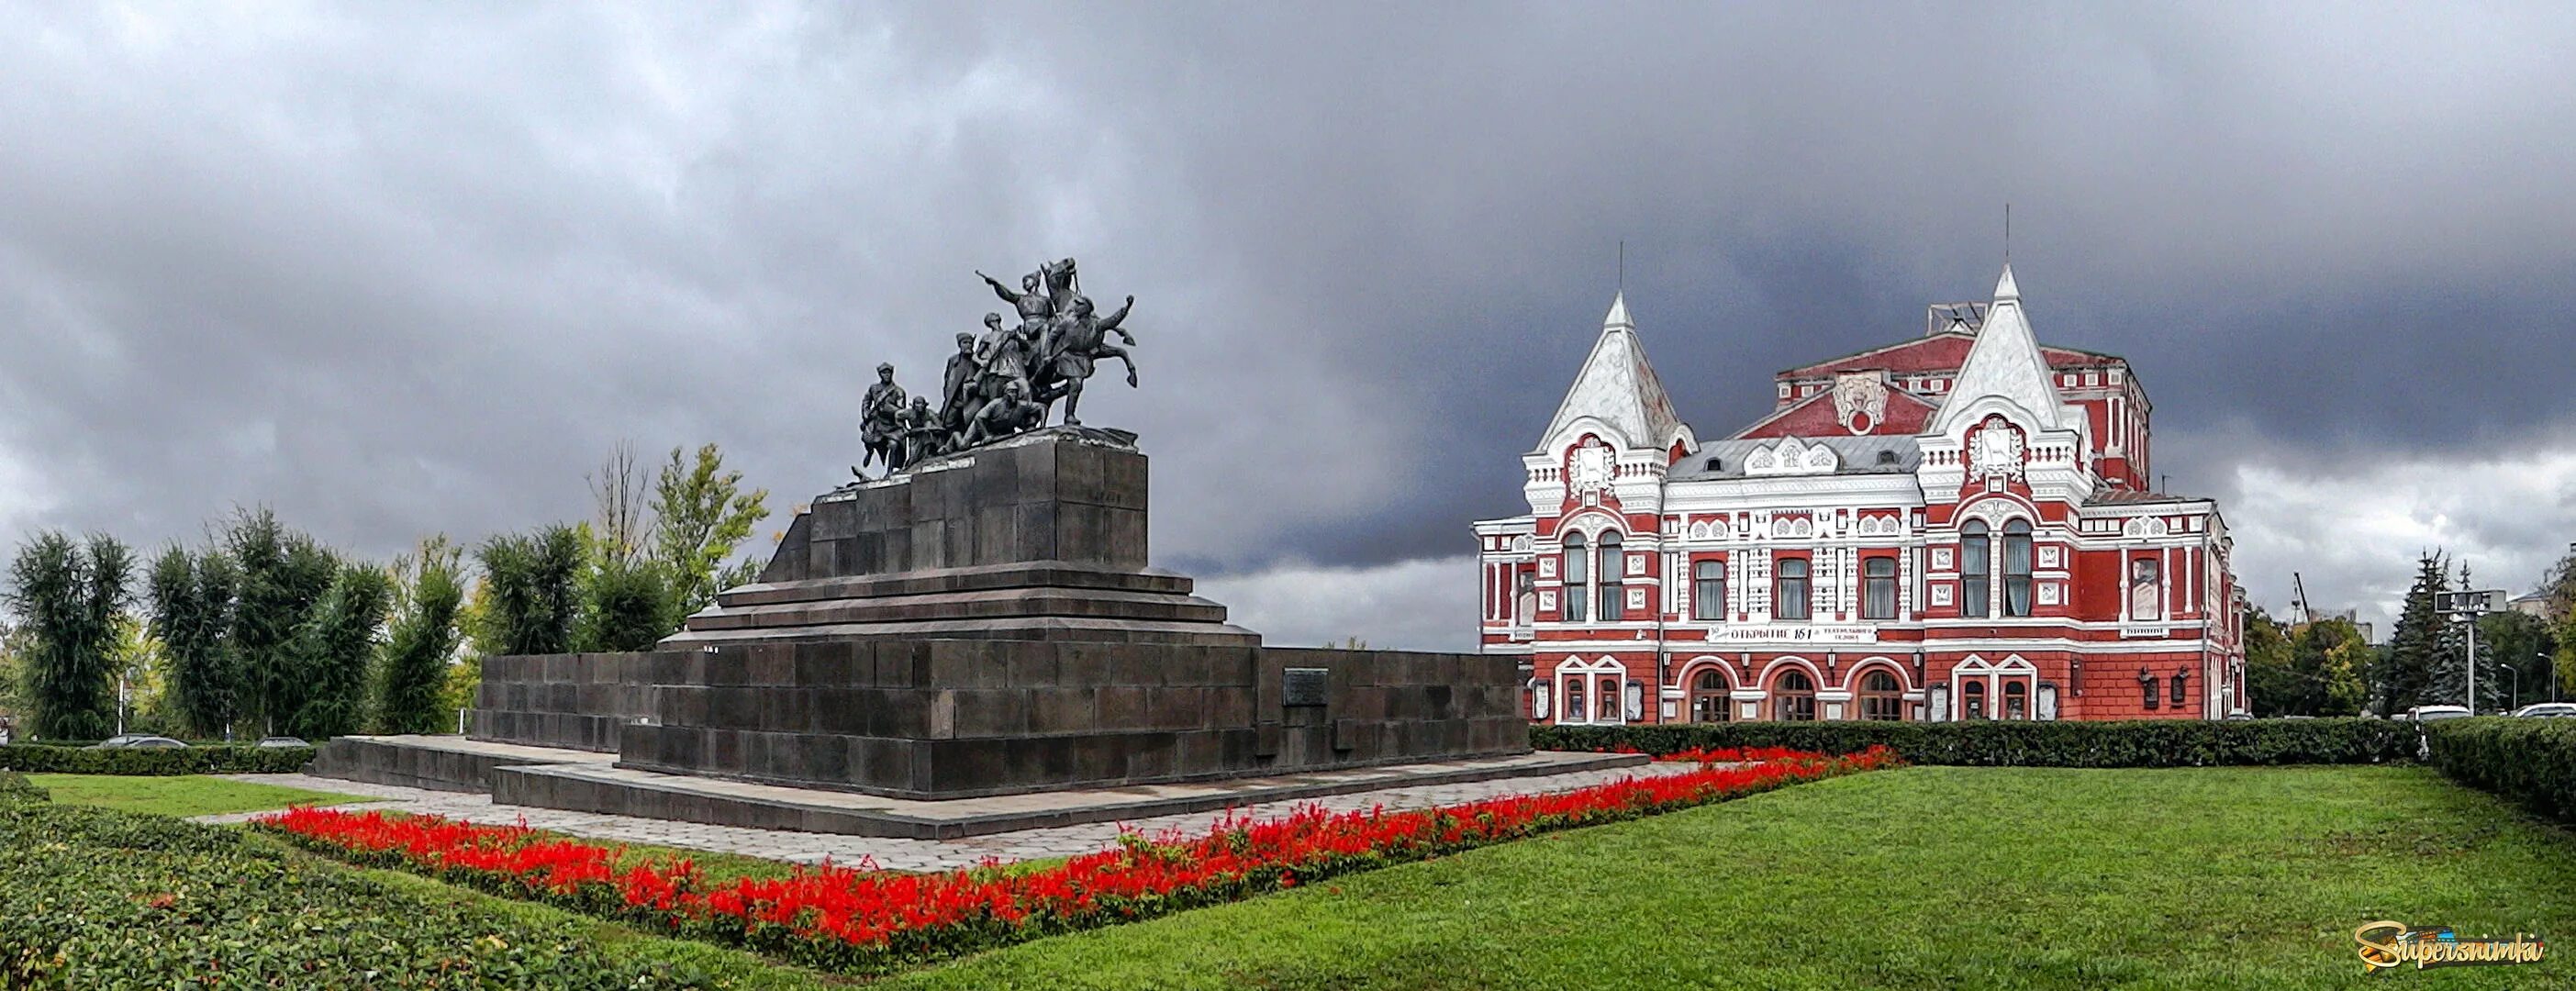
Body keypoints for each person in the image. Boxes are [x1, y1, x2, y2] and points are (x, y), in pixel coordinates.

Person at [857, 362, 907, 475]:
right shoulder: (874, 388)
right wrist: (865, 414)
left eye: (888, 373)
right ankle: (870, 452)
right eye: (884, 373)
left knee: (894, 446)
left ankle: (889, 471)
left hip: (892, 425)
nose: (886, 375)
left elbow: (900, 411)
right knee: (867, 439)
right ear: (880, 374)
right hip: (877, 422)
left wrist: (887, 409)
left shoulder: (898, 391)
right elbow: (866, 401)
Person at [939, 330, 981, 433]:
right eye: (965, 343)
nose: (968, 345)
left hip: (970, 397)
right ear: (960, 345)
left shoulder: (976, 359)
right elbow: (947, 379)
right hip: (954, 398)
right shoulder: (953, 360)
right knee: (948, 422)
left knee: (969, 421)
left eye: (970, 343)